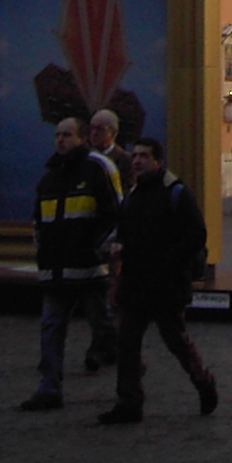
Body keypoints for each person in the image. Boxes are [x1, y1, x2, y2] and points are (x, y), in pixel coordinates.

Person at [99, 137, 218, 424]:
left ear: (158, 161)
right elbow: (125, 232)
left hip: (167, 284)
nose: (137, 161)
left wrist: (167, 259)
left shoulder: (176, 193)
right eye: (135, 155)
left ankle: (203, 382)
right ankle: (129, 402)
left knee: (175, 340)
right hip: (135, 283)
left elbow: (196, 235)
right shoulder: (133, 195)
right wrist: (120, 248)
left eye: (144, 156)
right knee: (127, 344)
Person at [20, 116, 122, 412]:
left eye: (67, 135)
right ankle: (49, 388)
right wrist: (43, 251)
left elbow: (116, 210)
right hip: (55, 268)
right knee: (51, 326)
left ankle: (130, 367)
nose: (60, 140)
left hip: (88, 268)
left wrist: (98, 248)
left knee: (102, 326)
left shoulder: (98, 168)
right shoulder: (49, 177)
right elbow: (39, 220)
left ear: (81, 138)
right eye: (57, 135)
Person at [83, 109, 128, 372]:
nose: (94, 133)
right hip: (91, 236)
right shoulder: (87, 160)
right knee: (96, 295)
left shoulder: (123, 160)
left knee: (109, 294)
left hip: (113, 238)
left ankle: (101, 348)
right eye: (92, 128)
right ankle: (110, 345)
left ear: (112, 132)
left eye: (100, 129)